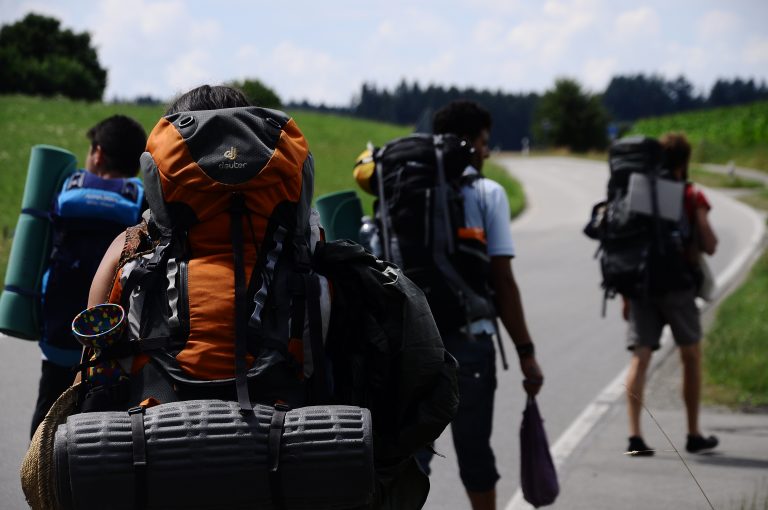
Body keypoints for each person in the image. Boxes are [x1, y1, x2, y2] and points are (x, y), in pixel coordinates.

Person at [414, 100, 544, 510]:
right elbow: (502, 281)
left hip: (413, 348)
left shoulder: (405, 187)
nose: (487, 152)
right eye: (485, 143)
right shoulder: (488, 193)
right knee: (474, 454)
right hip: (470, 346)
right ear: (470, 144)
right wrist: (526, 352)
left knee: (410, 458)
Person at [29, 115, 146, 438]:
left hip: (59, 328)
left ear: (98, 153)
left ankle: (40, 462)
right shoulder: (139, 197)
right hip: (112, 335)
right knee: (104, 411)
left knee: (48, 408)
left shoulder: (69, 188)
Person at [623, 132, 719, 456]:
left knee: (640, 357)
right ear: (685, 161)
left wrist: (625, 296)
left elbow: (629, 245)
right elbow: (709, 243)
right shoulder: (690, 194)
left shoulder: (638, 192)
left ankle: (635, 437)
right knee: (690, 356)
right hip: (678, 286)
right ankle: (693, 433)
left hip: (641, 287)